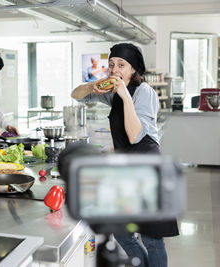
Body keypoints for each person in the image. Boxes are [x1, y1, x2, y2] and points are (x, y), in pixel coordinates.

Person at [72, 43, 179, 267]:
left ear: (133, 70)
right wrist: (94, 85)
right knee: (121, 231)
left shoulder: (144, 92)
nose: (114, 70)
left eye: (121, 65)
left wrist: (125, 96)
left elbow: (134, 136)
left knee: (151, 238)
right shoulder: (113, 94)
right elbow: (76, 95)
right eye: (111, 65)